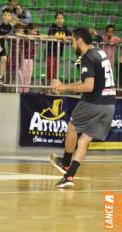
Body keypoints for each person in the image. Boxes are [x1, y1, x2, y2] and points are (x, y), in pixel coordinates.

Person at [50, 27, 116, 188]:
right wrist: (64, 86)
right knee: (84, 141)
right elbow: (90, 82)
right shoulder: (100, 52)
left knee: (72, 127)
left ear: (80, 40)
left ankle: (65, 162)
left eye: (73, 41)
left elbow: (88, 86)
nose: (72, 45)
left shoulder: (87, 57)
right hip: (109, 106)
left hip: (93, 103)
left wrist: (63, 87)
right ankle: (69, 176)